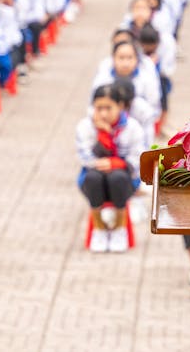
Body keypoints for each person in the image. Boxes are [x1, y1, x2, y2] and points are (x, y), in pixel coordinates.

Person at [77, 80, 145, 254]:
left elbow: (138, 159)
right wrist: (103, 135)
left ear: (120, 106)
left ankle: (119, 228)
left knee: (117, 177)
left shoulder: (133, 127)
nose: (103, 113)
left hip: (124, 180)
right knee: (94, 177)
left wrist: (117, 163)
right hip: (94, 178)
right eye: (99, 108)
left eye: (108, 108)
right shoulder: (85, 126)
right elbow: (85, 157)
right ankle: (99, 229)